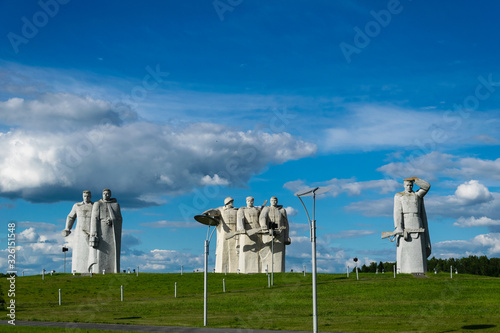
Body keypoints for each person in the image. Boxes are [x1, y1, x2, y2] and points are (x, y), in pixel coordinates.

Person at [393, 177, 431, 274]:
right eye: (407, 185)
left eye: (411, 185)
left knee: (418, 250)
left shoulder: (417, 195)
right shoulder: (399, 196)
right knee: (405, 250)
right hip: (405, 223)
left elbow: (427, 187)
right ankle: (404, 271)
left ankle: (419, 270)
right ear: (404, 185)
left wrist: (415, 179)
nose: (409, 187)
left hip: (417, 222)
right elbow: (397, 212)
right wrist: (398, 226)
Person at [88, 188, 123, 273]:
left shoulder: (115, 205)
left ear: (110, 195)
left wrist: (112, 220)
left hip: (112, 231)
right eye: (104, 194)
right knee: (100, 251)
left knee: (112, 250)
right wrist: (94, 232)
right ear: (102, 194)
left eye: (107, 194)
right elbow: (94, 218)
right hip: (101, 231)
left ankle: (112, 270)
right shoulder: (97, 204)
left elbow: (119, 218)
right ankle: (99, 270)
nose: (106, 195)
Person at [203, 197, 239, 273]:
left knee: (235, 251)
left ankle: (235, 270)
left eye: (232, 202)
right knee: (223, 250)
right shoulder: (221, 210)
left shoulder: (236, 210)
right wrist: (208, 213)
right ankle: (221, 270)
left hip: (234, 231)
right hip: (224, 232)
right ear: (226, 203)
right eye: (230, 202)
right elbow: (215, 211)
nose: (232, 203)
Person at [61, 190, 93, 273]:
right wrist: (67, 228)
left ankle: (91, 270)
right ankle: (78, 270)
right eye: (85, 196)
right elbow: (71, 217)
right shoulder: (77, 206)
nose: (86, 197)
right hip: (79, 233)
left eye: (88, 196)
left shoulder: (94, 206)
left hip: (91, 232)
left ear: (90, 196)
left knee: (91, 252)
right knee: (79, 252)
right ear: (82, 196)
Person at [259, 197, 291, 273]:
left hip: (280, 233)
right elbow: (262, 217)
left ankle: (278, 271)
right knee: (268, 252)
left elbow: (286, 223)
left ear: (277, 201)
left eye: (275, 200)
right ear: (270, 201)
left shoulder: (282, 210)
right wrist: (263, 225)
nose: (274, 202)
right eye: (272, 200)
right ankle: (266, 270)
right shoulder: (267, 209)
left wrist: (286, 235)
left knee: (278, 254)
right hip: (269, 233)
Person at [237, 197, 266, 273]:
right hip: (247, 232)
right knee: (247, 253)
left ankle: (258, 270)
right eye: (248, 201)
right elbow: (240, 219)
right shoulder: (242, 209)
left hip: (257, 231)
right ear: (246, 201)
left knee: (257, 252)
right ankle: (245, 270)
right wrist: (241, 228)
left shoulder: (256, 209)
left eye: (251, 201)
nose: (250, 202)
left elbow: (261, 217)